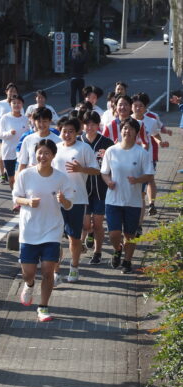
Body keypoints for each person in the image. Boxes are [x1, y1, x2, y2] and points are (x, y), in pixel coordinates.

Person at [13, 140, 74, 322]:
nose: (43, 156)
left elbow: (69, 205)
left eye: (47, 153)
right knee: (28, 272)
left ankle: (43, 307)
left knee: (48, 271)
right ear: (36, 154)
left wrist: (63, 200)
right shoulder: (25, 175)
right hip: (30, 229)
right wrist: (27, 202)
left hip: (52, 229)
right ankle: (29, 284)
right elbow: (16, 197)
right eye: (40, 152)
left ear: (53, 155)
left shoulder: (61, 178)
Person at [100, 118, 155, 274]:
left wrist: (137, 180)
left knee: (130, 235)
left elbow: (149, 175)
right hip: (113, 200)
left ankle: (127, 261)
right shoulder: (111, 151)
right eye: (125, 128)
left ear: (136, 133)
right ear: (121, 130)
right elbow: (104, 172)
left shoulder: (141, 153)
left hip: (133, 201)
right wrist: (108, 181)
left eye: (131, 129)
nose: (127, 131)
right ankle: (118, 249)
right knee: (114, 233)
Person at [52, 117, 100, 283]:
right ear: (60, 131)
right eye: (64, 131)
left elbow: (96, 170)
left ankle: (74, 268)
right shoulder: (55, 148)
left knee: (74, 237)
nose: (67, 134)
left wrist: (81, 169)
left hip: (77, 198)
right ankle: (56, 272)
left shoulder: (84, 148)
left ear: (77, 132)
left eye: (71, 131)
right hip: (56, 199)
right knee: (55, 237)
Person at [80, 110, 114, 264]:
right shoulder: (78, 142)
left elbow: (113, 166)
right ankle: (89, 233)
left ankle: (97, 252)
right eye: (87, 124)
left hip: (101, 189)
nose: (90, 127)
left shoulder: (107, 143)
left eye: (93, 124)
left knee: (99, 222)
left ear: (98, 125)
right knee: (86, 224)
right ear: (83, 125)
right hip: (82, 189)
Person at [0, 95, 29, 194]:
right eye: (14, 103)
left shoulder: (25, 119)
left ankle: (21, 197)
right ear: (10, 104)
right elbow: (0, 134)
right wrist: (9, 133)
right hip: (8, 152)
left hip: (22, 153)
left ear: (22, 104)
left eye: (19, 103)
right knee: (11, 178)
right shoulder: (5, 118)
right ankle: (15, 197)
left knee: (21, 177)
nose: (16, 105)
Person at [17, 107, 61, 172]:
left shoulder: (58, 140)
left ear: (50, 121)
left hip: (51, 179)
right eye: (39, 121)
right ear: (34, 122)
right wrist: (17, 181)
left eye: (44, 121)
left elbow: (60, 164)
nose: (42, 124)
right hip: (31, 178)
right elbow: (22, 164)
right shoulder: (28, 139)